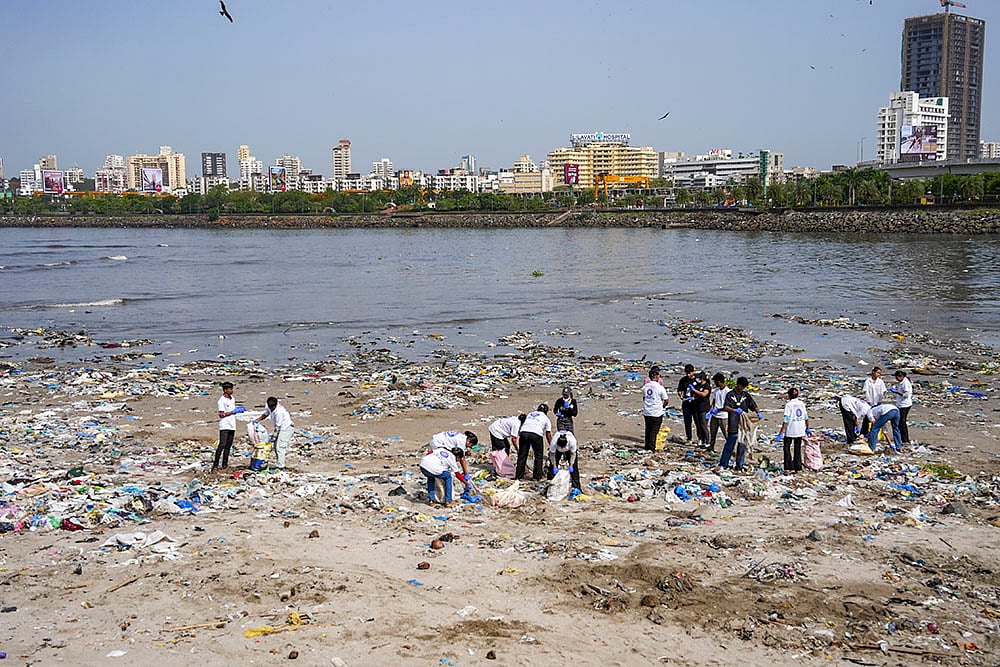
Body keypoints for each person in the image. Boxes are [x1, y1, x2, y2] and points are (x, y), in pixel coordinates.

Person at [718, 377, 761, 471]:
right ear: (737, 384)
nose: (742, 389)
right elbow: (726, 407)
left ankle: (740, 464)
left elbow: (753, 405)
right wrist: (734, 410)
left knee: (742, 445)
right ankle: (723, 463)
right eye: (741, 386)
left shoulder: (746, 395)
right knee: (730, 444)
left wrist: (758, 413)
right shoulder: (730, 394)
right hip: (733, 422)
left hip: (743, 425)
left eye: (743, 387)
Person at [775, 387, 811, 472]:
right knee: (797, 448)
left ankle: (789, 467)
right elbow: (806, 417)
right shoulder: (801, 403)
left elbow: (786, 419)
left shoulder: (789, 405)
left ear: (789, 395)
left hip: (791, 429)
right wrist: (807, 428)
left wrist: (781, 432)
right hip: (800, 429)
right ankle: (797, 466)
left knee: (786, 448)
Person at [253, 396, 293, 470]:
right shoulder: (269, 406)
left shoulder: (279, 412)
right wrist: (257, 420)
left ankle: (281, 467)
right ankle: (279, 463)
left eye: (272, 407)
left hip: (285, 428)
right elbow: (266, 414)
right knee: (276, 446)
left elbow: (278, 427)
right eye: (270, 407)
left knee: (280, 447)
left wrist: (274, 437)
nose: (271, 409)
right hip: (279, 427)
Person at [213, 381, 245, 471]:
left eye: (232, 389)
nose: (232, 390)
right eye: (230, 389)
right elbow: (221, 414)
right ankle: (215, 465)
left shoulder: (232, 399)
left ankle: (225, 464)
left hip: (232, 424)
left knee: (228, 445)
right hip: (224, 425)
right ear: (225, 390)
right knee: (222, 444)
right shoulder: (221, 400)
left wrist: (237, 410)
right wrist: (232, 412)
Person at [517, 404, 553, 481]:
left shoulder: (530, 414)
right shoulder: (546, 418)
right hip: (536, 434)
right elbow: (548, 434)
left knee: (522, 455)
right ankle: (537, 476)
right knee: (538, 456)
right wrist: (552, 445)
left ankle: (518, 476)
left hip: (524, 433)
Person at [642, 365, 669, 451]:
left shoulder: (645, 387)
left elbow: (644, 398)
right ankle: (651, 448)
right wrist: (663, 406)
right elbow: (666, 400)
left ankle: (647, 446)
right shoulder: (660, 388)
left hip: (647, 411)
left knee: (648, 429)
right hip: (656, 412)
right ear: (656, 377)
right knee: (654, 431)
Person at [706, 373, 730, 452]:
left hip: (723, 416)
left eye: (715, 381)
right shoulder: (716, 390)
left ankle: (731, 449)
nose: (715, 383)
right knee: (713, 433)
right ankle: (711, 447)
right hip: (715, 416)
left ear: (719, 381)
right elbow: (714, 400)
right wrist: (711, 410)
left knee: (726, 434)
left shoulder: (728, 392)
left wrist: (718, 409)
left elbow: (727, 406)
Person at [890, 370, 913, 445]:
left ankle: (905, 439)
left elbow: (906, 395)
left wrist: (896, 391)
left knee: (902, 422)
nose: (897, 378)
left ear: (902, 376)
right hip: (901, 404)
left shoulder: (905, 383)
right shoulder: (902, 382)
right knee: (900, 422)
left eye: (898, 377)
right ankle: (901, 438)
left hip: (905, 405)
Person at [677, 364, 698, 443]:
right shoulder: (683, 380)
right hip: (686, 403)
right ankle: (689, 438)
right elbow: (680, 390)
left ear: (693, 372)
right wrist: (681, 395)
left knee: (697, 421)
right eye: (687, 373)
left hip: (695, 403)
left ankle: (700, 438)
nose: (688, 375)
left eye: (690, 373)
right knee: (687, 422)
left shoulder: (697, 379)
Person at [689, 371, 711, 447]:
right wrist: (692, 398)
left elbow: (704, 394)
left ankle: (707, 441)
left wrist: (694, 390)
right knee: (698, 425)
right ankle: (701, 439)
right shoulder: (698, 385)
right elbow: (696, 395)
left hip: (704, 408)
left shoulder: (706, 386)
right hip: (697, 407)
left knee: (703, 425)